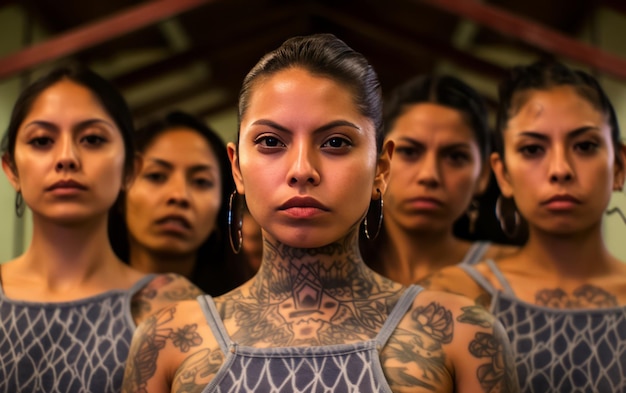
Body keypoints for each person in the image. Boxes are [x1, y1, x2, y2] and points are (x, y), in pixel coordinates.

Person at [122, 33, 518, 393]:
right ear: (237, 167)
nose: (301, 170)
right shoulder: (168, 339)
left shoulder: (462, 336)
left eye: (335, 142)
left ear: (381, 168)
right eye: (270, 141)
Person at [420, 60, 626, 392]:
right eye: (532, 149)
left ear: (618, 165)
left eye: (585, 146)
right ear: (502, 174)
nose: (560, 169)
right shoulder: (454, 296)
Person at [0, 66, 202, 393]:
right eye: (41, 140)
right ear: (12, 170)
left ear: (129, 169)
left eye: (92, 139)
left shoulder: (169, 305)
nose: (66, 157)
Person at [361, 75, 518, 284]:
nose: (429, 175)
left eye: (455, 157)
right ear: (379, 164)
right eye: (409, 151)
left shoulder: (514, 277)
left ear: (483, 175)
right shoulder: (326, 264)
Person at [108, 111, 242, 295]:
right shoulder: (77, 311)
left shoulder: (240, 316)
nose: (179, 196)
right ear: (121, 191)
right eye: (156, 176)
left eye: (201, 181)